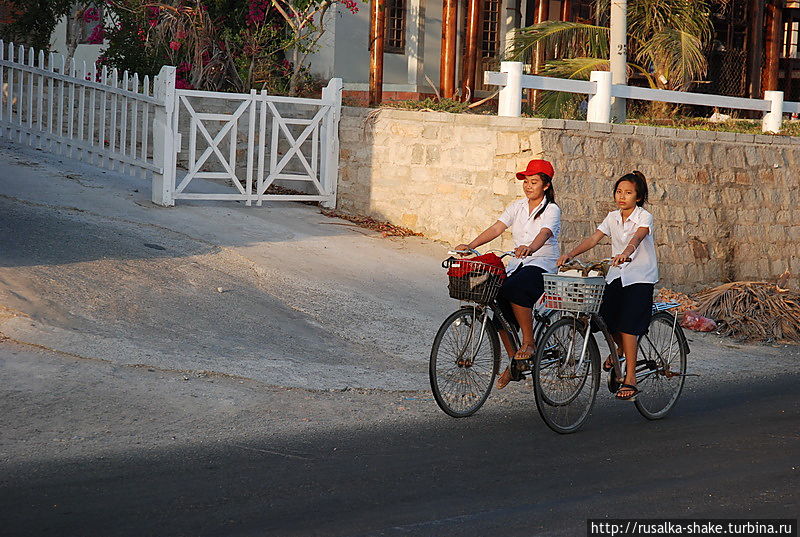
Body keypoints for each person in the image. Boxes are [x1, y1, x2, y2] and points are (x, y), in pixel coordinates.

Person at [455, 159, 561, 389]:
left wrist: (530, 248)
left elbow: (544, 234)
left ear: (545, 185)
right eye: (526, 182)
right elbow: (496, 228)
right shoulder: (517, 207)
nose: (528, 186)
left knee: (515, 289)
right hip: (518, 264)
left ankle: (529, 342)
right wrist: (470, 246)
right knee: (497, 299)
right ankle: (515, 361)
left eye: (534, 182)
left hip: (542, 264)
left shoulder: (551, 209)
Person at [556, 171, 658, 401]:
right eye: (619, 192)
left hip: (640, 276)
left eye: (628, 193)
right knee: (604, 316)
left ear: (639, 197)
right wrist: (570, 254)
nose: (622, 197)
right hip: (616, 276)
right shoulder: (612, 217)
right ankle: (619, 350)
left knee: (629, 325)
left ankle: (630, 377)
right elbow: (593, 239)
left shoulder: (644, 216)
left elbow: (638, 238)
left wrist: (625, 253)